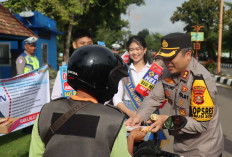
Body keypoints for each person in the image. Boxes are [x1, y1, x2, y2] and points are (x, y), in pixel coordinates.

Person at [126, 33, 224, 157]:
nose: (167, 62)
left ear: (188, 55)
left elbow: (201, 124)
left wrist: (166, 122)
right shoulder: (167, 73)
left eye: (171, 57)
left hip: (204, 150)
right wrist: (139, 117)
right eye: (164, 58)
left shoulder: (201, 80)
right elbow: (154, 98)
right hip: (180, 146)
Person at [29, 45, 132, 157]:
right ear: (103, 80)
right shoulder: (113, 120)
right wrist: (132, 138)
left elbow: (35, 154)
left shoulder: (45, 112)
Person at [113, 36, 159, 142]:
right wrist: (131, 113)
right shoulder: (124, 71)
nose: (135, 52)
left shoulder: (153, 71)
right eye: (131, 49)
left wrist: (143, 115)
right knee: (127, 146)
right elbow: (116, 98)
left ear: (145, 50)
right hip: (127, 114)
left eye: (138, 49)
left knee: (147, 147)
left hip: (149, 114)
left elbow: (158, 97)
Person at [51, 29, 93, 100]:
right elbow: (55, 97)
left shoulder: (98, 69)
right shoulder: (64, 72)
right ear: (74, 45)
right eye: (82, 43)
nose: (86, 47)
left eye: (89, 43)